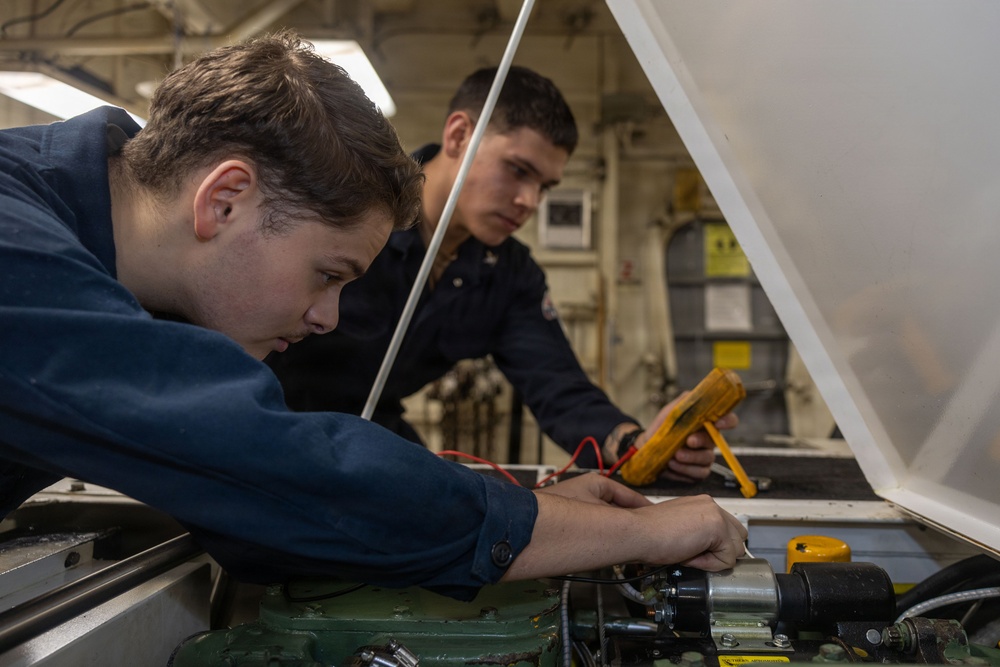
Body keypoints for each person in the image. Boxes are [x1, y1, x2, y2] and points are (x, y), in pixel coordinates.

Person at [0, 32, 746, 602]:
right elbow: (276, 467)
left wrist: (567, 491)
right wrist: (636, 531)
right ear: (224, 200)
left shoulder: (99, 225)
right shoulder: (14, 244)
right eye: (328, 275)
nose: (329, 316)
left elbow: (549, 377)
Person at [266, 65, 735, 475]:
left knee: (449, 512)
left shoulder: (509, 277)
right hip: (263, 420)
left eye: (544, 186)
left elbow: (558, 385)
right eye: (517, 170)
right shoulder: (348, 209)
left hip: (368, 430)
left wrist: (635, 445)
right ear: (458, 137)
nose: (530, 201)